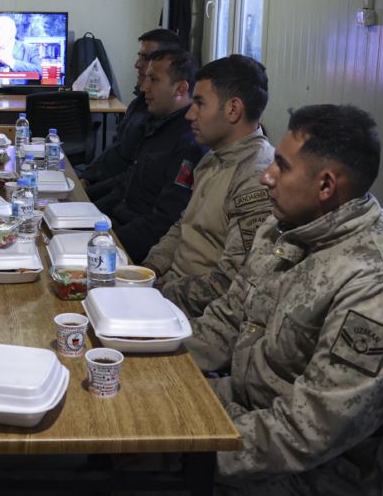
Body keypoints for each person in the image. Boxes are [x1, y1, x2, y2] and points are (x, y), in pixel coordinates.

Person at [185, 105, 383, 496]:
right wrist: (155, 367)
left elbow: (309, 432)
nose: (266, 176)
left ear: (326, 185)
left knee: (153, 482)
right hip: (248, 409)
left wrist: (190, 449)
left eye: (281, 166)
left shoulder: (381, 289)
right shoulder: (284, 228)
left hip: (311, 484)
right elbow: (225, 321)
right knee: (130, 407)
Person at [144, 54, 274, 318]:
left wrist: (158, 293)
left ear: (233, 110)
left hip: (198, 314)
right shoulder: (212, 158)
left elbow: (231, 282)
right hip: (169, 292)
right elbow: (184, 225)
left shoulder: (256, 178)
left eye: (200, 104)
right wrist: (148, 270)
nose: (190, 114)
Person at [88, 49, 206, 262]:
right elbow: (126, 184)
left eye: (153, 79)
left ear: (180, 88)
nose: (144, 87)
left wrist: (110, 246)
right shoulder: (158, 123)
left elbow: (162, 222)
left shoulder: (189, 143)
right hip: (115, 227)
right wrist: (85, 204)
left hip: (134, 247)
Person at [79, 29, 183, 186]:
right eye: (139, 56)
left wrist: (88, 194)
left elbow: (129, 178)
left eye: (146, 58)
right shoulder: (138, 103)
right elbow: (114, 150)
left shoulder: (161, 116)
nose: (137, 64)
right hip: (100, 185)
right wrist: (87, 177)